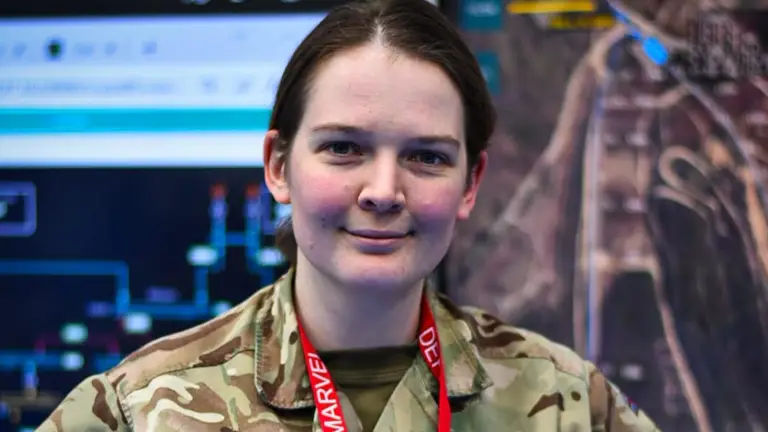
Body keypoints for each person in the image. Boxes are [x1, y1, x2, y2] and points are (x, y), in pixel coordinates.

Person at [36, 0, 661, 430]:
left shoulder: (567, 404)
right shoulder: (139, 409)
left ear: (472, 183)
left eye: (426, 157)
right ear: (278, 166)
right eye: (344, 148)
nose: (384, 190)